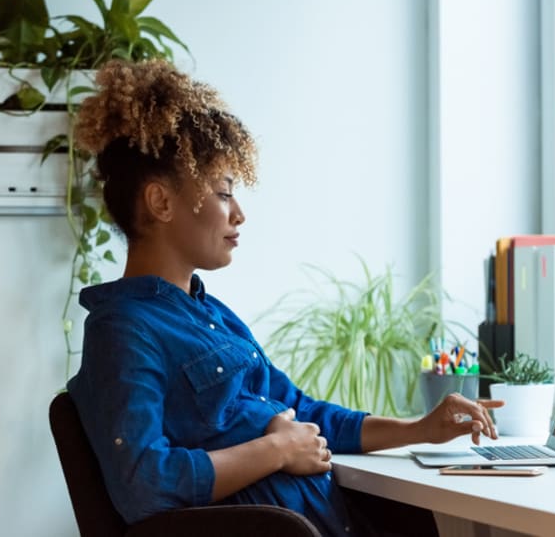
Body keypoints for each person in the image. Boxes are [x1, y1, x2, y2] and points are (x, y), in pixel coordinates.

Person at [66, 58, 503, 537]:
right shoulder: (124, 329)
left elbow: (301, 411)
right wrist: (276, 451)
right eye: (223, 194)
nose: (239, 214)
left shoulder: (214, 317)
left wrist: (418, 429)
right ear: (161, 203)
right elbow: (144, 484)